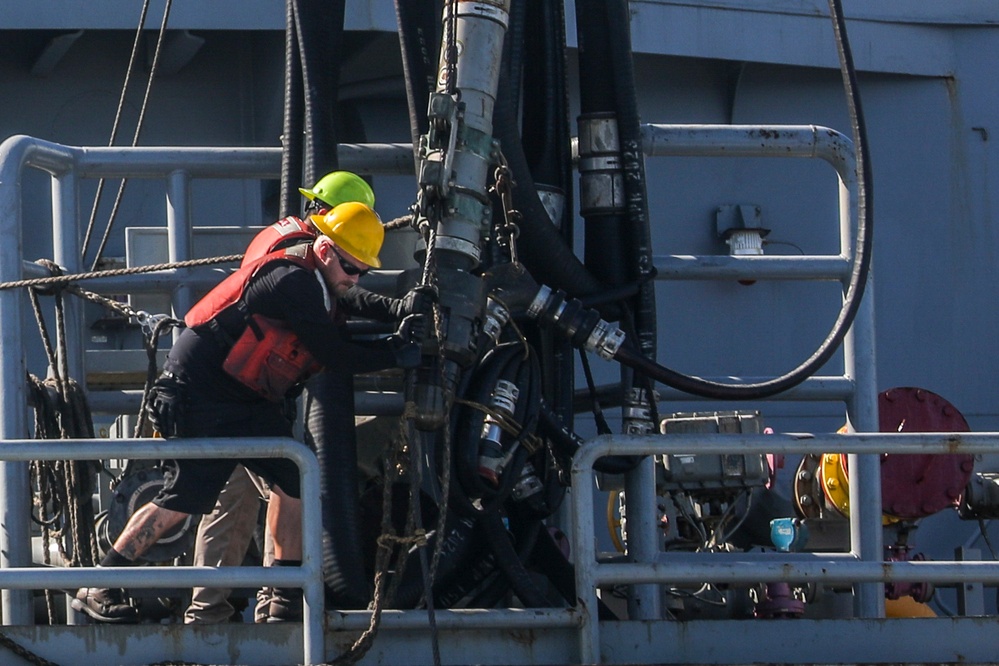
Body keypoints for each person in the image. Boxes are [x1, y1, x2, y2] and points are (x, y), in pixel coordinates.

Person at [73, 202, 423, 624]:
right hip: (200, 394)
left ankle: (285, 596)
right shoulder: (292, 281)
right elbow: (333, 352)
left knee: (294, 478)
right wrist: (395, 352)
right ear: (326, 250)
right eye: (352, 267)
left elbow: (352, 298)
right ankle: (100, 582)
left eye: (363, 270)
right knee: (182, 499)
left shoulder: (320, 275)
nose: (355, 278)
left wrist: (402, 309)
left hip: (244, 398)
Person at [185, 170, 378, 624]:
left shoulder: (298, 249)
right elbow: (328, 340)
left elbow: (339, 303)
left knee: (266, 490)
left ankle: (248, 604)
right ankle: (248, 606)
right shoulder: (296, 264)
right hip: (239, 392)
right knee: (259, 489)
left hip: (251, 387)